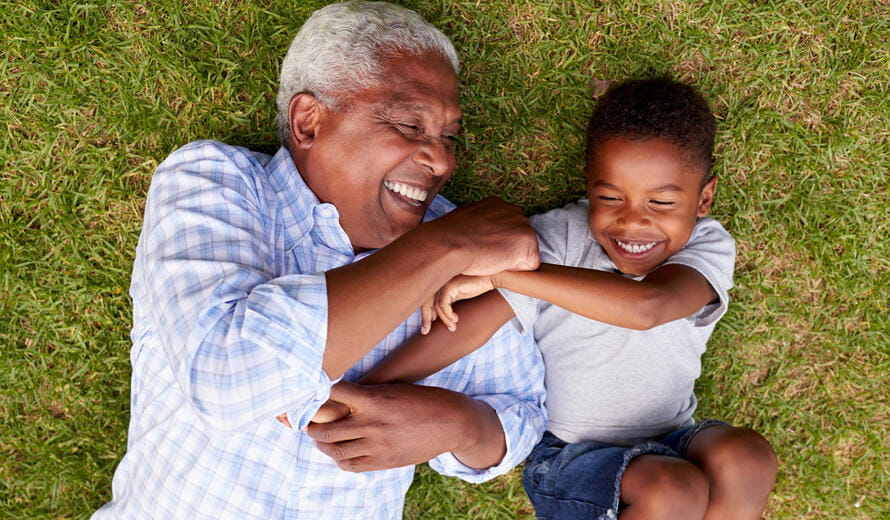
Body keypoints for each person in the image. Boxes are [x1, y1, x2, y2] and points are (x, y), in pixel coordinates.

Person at [92, 2, 547, 518]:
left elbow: (519, 413)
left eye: (447, 137)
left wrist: (458, 424)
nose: (442, 160)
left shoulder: (460, 243)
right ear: (308, 121)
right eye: (408, 124)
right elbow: (228, 379)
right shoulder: (213, 181)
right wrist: (445, 246)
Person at [323, 77, 778, 519]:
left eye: (661, 203)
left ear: (703, 199)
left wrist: (507, 275)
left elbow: (649, 307)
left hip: (676, 435)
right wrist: (362, 392)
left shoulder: (707, 245)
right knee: (672, 490)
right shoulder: (558, 237)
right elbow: (471, 327)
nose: (633, 223)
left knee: (747, 457)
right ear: (588, 184)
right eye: (610, 196)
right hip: (571, 457)